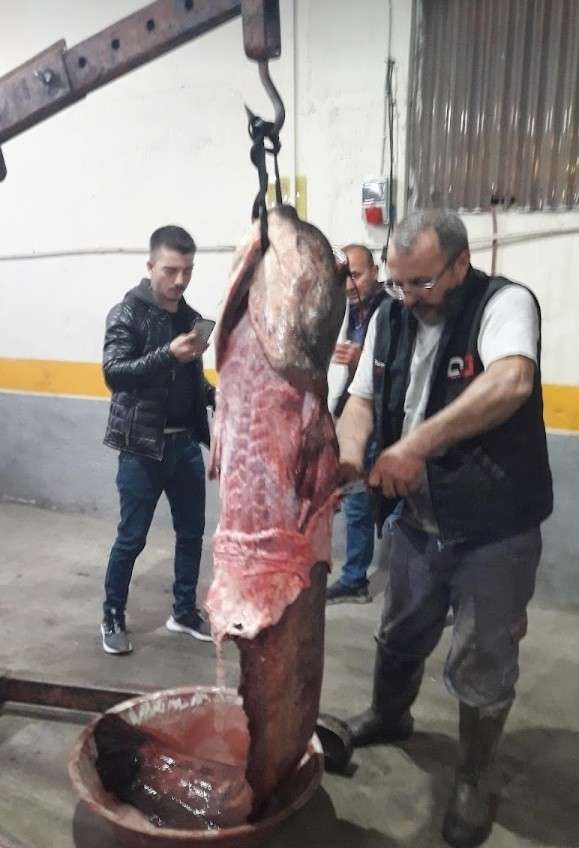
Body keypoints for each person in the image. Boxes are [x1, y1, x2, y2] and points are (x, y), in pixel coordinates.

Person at [336, 209, 553, 848]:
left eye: (423, 282)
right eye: (398, 282)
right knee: (400, 629)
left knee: (483, 655)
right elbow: (361, 400)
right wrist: (349, 454)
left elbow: (512, 381)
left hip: (495, 527)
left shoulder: (504, 304)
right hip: (417, 521)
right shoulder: (389, 317)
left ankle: (474, 778)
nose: (408, 297)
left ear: (461, 264)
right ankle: (389, 715)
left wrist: (414, 446)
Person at [100, 225, 215, 655]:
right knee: (132, 537)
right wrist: (168, 354)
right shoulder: (126, 314)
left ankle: (183, 612)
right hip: (141, 448)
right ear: (150, 266)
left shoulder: (190, 318)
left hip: (184, 445)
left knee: (192, 533)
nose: (180, 280)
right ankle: (112, 615)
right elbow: (115, 373)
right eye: (170, 270)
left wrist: (215, 396)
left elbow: (190, 379)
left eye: (187, 270)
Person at [326, 244, 386, 604]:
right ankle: (355, 578)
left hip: (383, 422)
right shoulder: (341, 311)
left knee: (393, 507)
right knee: (355, 502)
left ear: (375, 272)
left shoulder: (391, 310)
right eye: (343, 276)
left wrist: (365, 359)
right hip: (348, 416)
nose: (349, 284)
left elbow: (403, 367)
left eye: (357, 275)